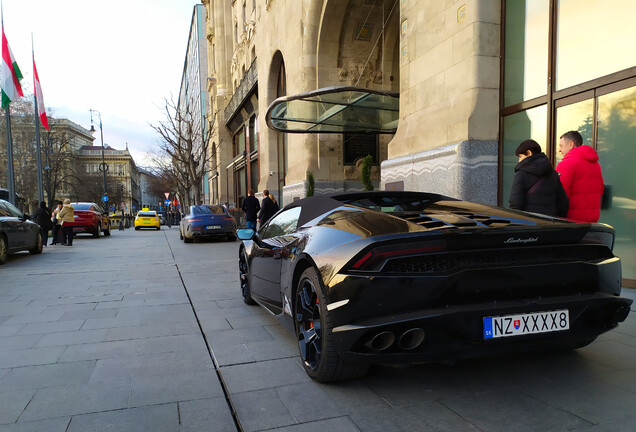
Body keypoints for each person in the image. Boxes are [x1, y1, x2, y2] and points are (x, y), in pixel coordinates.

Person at [509, 140, 568, 217]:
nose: (519, 161)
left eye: (520, 156)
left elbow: (515, 204)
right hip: (551, 223)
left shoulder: (521, 174)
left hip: (530, 224)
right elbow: (563, 202)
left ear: (529, 153)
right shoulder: (553, 173)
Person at [556, 130, 605, 222]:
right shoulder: (595, 164)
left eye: (561, 146)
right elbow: (601, 189)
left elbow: (560, 194)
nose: (559, 150)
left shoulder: (566, 164)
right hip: (592, 219)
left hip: (572, 220)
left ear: (570, 144)